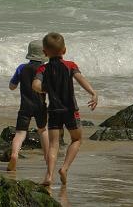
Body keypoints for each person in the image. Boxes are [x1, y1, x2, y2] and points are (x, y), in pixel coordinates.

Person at [32, 32, 98, 186]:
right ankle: (65, 168)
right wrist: (93, 92)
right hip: (70, 110)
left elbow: (35, 86)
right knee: (76, 139)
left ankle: (49, 176)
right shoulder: (70, 66)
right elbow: (81, 79)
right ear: (65, 50)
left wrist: (46, 90)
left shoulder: (43, 68)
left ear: (44, 52)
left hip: (54, 111)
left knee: (54, 145)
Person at [7, 39, 49, 172]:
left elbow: (12, 87)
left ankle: (14, 154)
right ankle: (48, 158)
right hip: (40, 105)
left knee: (20, 133)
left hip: (25, 106)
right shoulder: (45, 69)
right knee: (42, 130)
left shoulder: (21, 68)